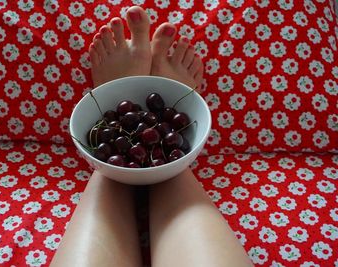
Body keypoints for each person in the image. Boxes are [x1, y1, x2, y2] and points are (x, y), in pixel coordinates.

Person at [50, 6, 253, 267]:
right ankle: (164, 168)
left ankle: (121, 163)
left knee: (114, 169)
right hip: (143, 146)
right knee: (169, 165)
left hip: (136, 147)